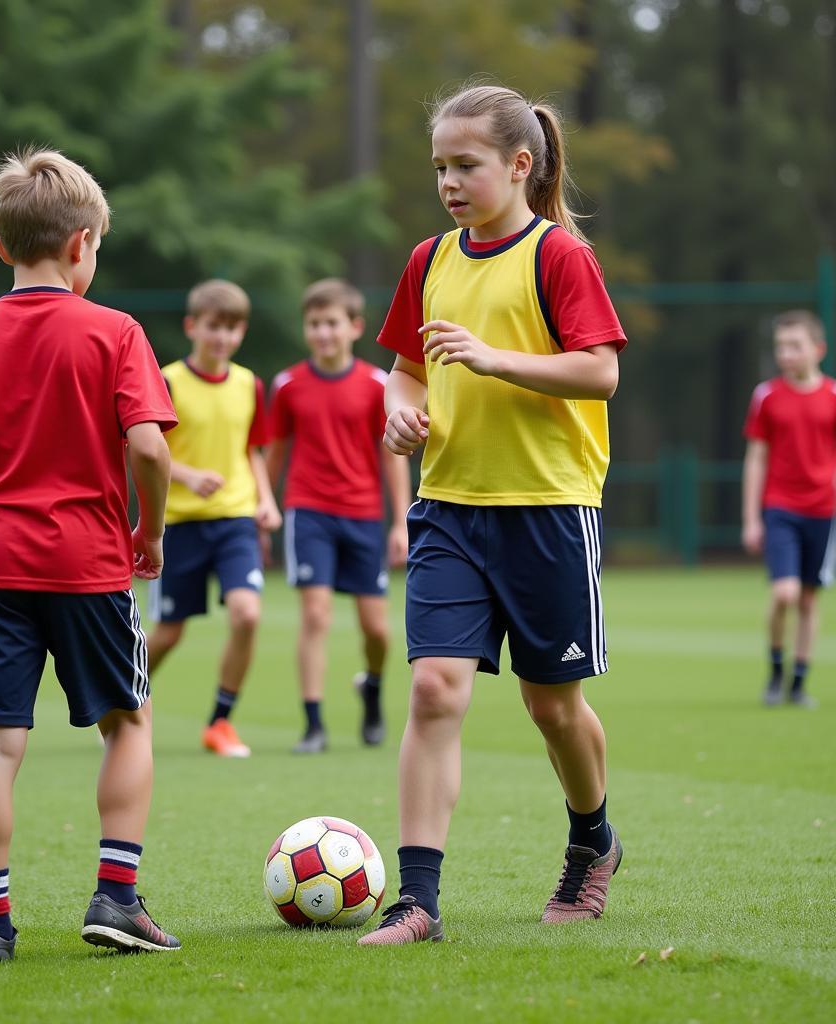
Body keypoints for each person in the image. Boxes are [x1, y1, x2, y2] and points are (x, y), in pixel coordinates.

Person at [357, 84, 627, 947]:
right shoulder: (428, 260)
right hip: (449, 509)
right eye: (439, 166)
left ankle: (594, 839)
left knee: (554, 710)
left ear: (519, 165)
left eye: (465, 165)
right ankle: (419, 900)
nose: (449, 181)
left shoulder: (558, 256)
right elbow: (405, 369)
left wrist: (494, 359)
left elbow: (599, 373)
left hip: (548, 510)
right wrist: (400, 410)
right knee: (435, 690)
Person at [0, 148, 181, 963]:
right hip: (90, 566)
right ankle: (117, 899)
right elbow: (152, 452)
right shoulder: (116, 332)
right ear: (83, 242)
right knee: (128, 722)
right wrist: (152, 530)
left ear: (2, 247)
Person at [266, 278, 411, 753]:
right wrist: (265, 508)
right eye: (314, 324)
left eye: (332, 323)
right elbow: (275, 454)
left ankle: (371, 687)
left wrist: (400, 521)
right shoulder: (288, 386)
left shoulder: (377, 385)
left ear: (354, 327)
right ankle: (313, 725)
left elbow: (393, 455)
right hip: (308, 514)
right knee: (316, 615)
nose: (323, 333)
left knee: (376, 628)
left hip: (364, 516)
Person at [145, 280, 282, 758]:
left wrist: (265, 499)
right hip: (179, 523)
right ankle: (121, 703)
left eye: (231, 328)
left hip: (236, 520)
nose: (221, 337)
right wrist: (185, 474)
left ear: (241, 332)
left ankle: (221, 722)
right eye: (213, 327)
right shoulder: (167, 381)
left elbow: (253, 450)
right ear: (192, 327)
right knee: (168, 632)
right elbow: (142, 450)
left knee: (246, 613)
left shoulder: (249, 384)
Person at [742, 309, 836, 708]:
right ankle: (776, 669)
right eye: (781, 346)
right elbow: (756, 459)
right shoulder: (766, 396)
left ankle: (798, 682)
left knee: (808, 599)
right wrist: (751, 519)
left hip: (824, 510)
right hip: (780, 507)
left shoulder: (832, 396)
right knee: (785, 593)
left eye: (795, 345)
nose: (787, 353)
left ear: (818, 349)